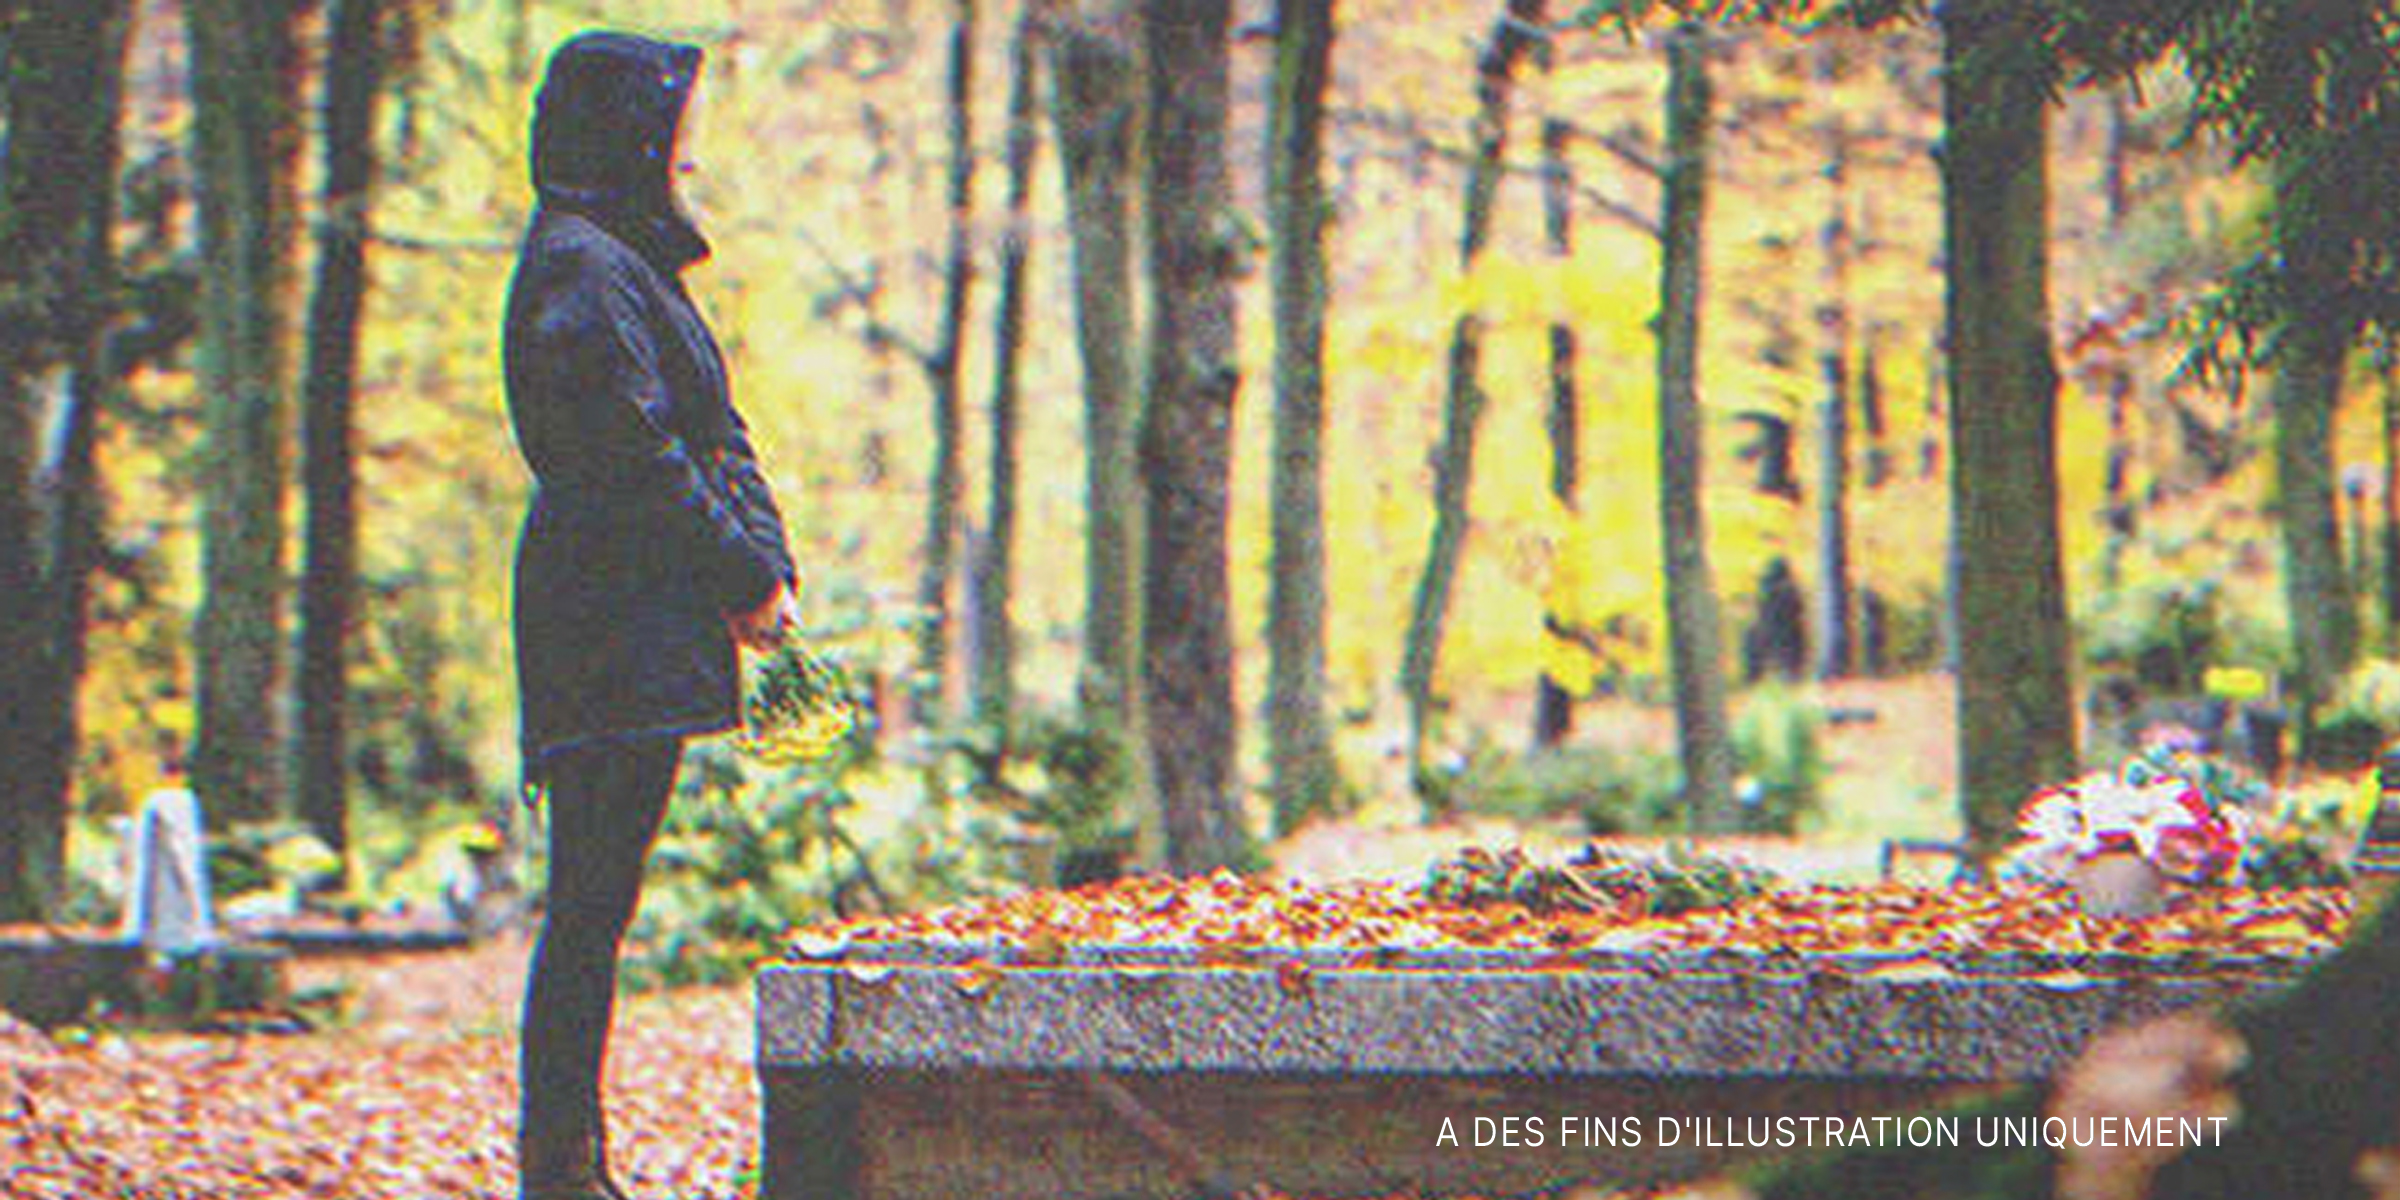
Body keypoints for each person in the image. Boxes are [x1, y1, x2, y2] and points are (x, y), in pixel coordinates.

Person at [503, 31, 799, 1200]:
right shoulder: (580, 267)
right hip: (600, 626)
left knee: (600, 902)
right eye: (674, 122)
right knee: (587, 905)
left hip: (641, 617)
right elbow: (629, 454)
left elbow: (715, 433)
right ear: (627, 129)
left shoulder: (630, 265)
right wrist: (736, 574)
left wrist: (763, 564)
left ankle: (570, 1167)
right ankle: (561, 1170)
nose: (691, 147)